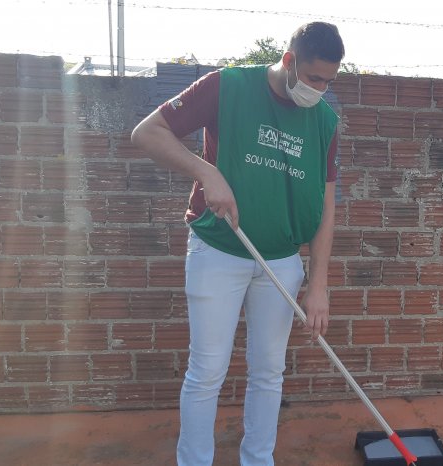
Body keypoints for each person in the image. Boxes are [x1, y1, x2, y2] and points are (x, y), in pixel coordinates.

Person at [130, 22, 344, 466]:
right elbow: (146, 133)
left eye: (329, 81)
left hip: (283, 261)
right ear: (288, 61)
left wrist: (318, 282)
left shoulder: (324, 120)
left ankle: (258, 459)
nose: (320, 89)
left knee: (269, 372)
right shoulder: (228, 86)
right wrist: (207, 173)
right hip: (219, 251)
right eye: (313, 78)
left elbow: (326, 205)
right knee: (207, 371)